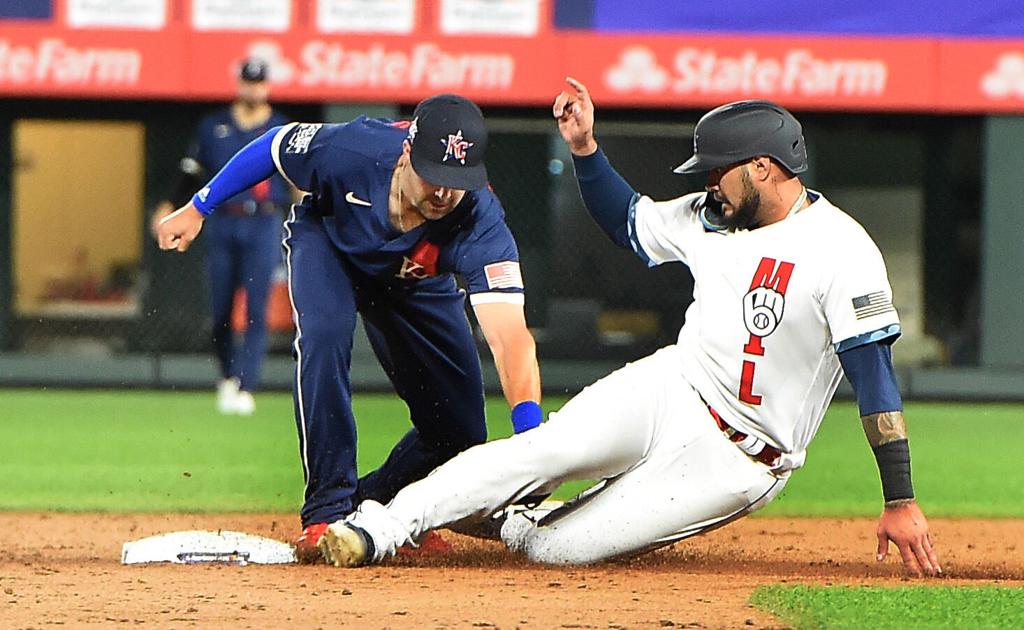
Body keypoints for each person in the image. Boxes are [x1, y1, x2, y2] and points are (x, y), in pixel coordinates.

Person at [315, 78, 942, 577]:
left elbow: (874, 377)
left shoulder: (842, 249)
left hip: (740, 458)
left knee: (552, 551)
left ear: (763, 168)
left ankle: (514, 522)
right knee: (542, 448)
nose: (706, 185)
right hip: (672, 385)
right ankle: (380, 526)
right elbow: (627, 220)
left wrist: (900, 498)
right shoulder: (711, 216)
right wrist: (586, 149)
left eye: (716, 170)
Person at [156, 94, 544, 562]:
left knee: (459, 429)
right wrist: (199, 206)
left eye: (457, 182)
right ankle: (326, 509)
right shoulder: (355, 148)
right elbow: (274, 147)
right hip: (331, 246)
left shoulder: (479, 222)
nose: (444, 193)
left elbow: (510, 338)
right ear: (407, 153)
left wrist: (532, 443)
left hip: (415, 280)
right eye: (434, 176)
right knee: (323, 340)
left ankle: (378, 509)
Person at [152, 57, 292, 416]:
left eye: (259, 82)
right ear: (239, 83)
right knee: (220, 310)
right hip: (221, 221)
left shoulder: (278, 127)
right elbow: (190, 172)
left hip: (262, 221)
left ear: (267, 86)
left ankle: (247, 385)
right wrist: (169, 206)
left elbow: (296, 183)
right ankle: (228, 377)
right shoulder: (214, 126)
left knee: (257, 308)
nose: (253, 88)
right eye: (248, 81)